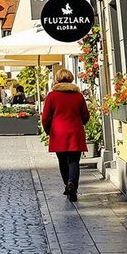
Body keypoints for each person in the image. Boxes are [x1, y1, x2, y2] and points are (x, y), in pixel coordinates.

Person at [42, 67, 89, 202]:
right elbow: (85, 115)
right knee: (74, 161)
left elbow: (45, 117)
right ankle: (72, 184)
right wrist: (81, 123)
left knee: (62, 161)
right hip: (75, 131)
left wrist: (48, 130)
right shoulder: (78, 96)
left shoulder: (51, 96)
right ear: (71, 79)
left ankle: (67, 184)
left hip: (58, 133)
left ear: (56, 79)